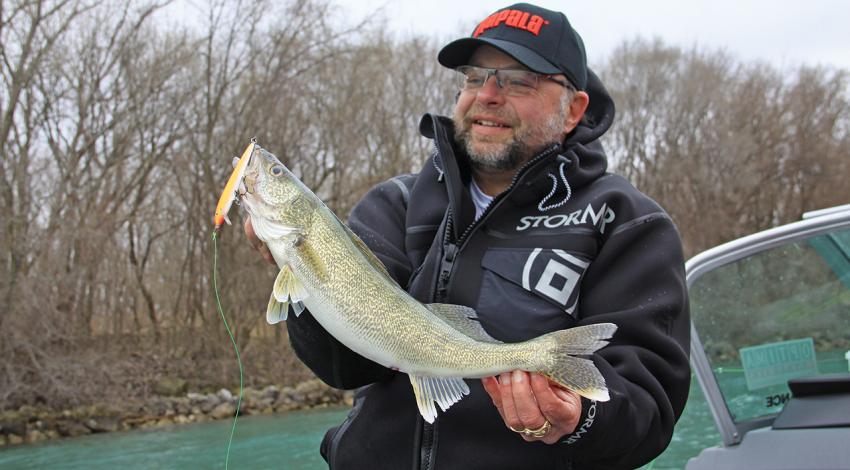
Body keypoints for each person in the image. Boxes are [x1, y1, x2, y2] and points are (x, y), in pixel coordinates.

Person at [246, 3, 690, 468]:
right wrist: (298, 270)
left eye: (518, 80)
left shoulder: (627, 222)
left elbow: (649, 409)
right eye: (474, 78)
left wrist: (579, 418)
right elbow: (345, 367)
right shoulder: (393, 203)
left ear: (573, 109)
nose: (487, 96)